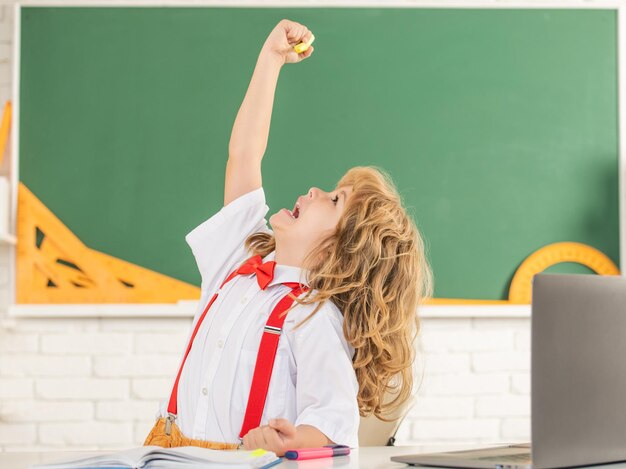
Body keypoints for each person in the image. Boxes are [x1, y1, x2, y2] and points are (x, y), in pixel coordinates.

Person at [144, 19, 433, 457]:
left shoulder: (312, 317)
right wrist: (271, 59)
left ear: (342, 250)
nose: (316, 190)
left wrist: (292, 441)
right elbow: (244, 154)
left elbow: (333, 425)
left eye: (334, 201)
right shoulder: (239, 258)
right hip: (170, 456)